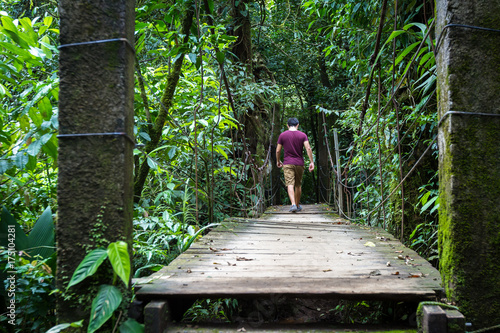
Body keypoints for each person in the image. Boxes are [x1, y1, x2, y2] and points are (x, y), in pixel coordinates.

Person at [276, 117, 314, 212]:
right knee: (298, 185)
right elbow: (308, 148)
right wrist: (311, 162)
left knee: (289, 184)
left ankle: (293, 204)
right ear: (298, 125)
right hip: (299, 163)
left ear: (287, 125)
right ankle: (297, 205)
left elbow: (278, 150)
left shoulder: (282, 135)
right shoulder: (302, 135)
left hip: (288, 163)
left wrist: (278, 161)